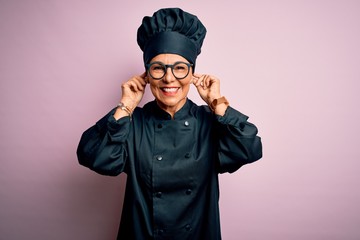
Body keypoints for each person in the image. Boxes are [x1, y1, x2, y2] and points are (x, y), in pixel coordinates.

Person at [77, 7, 262, 240]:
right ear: (147, 75)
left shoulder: (210, 122)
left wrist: (218, 104)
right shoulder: (133, 124)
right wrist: (125, 106)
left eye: (180, 68)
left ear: (192, 73)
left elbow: (250, 148)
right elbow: (92, 156)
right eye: (158, 68)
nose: (169, 78)